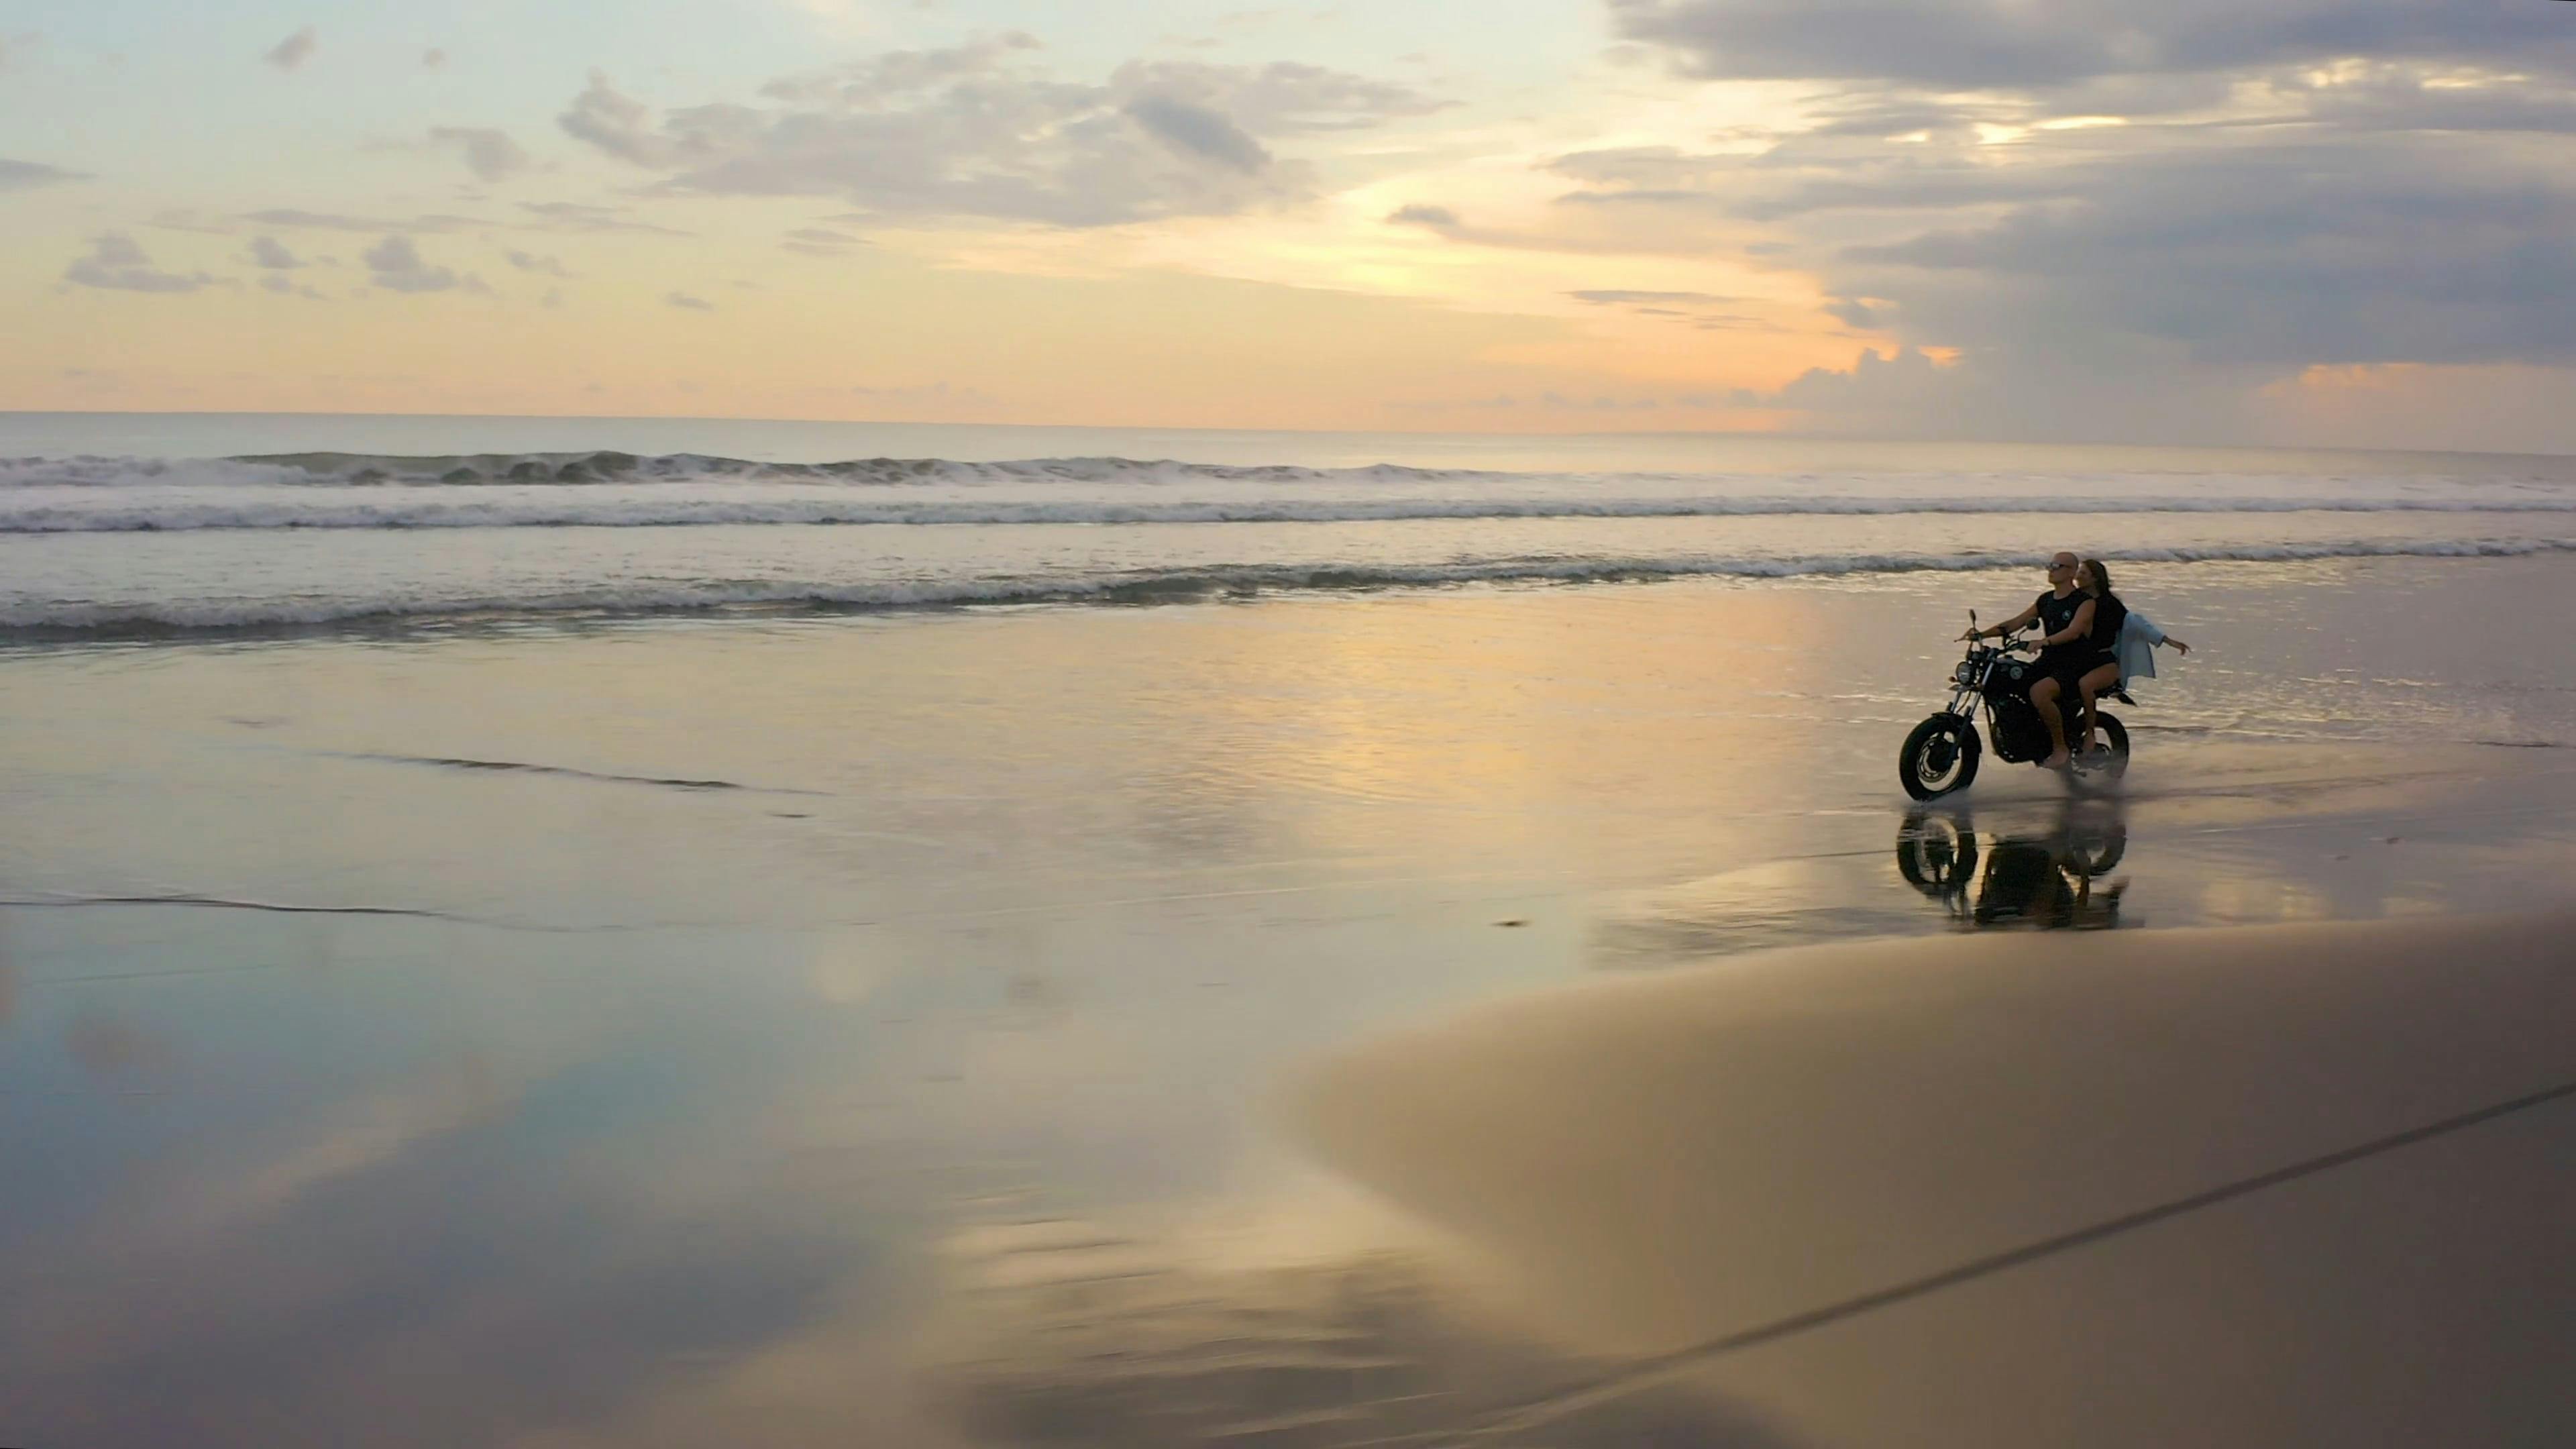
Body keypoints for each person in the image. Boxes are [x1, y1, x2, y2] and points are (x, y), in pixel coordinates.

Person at [1961, 552, 2094, 768]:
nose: (2051, 569)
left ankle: (2060, 748)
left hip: (2074, 666)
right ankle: (2019, 734)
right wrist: (1981, 635)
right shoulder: (2046, 600)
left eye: (2057, 566)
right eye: (2050, 565)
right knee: (2010, 679)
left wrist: (2044, 641)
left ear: (2071, 572)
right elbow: (2016, 623)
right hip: (2047, 662)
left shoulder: (2084, 602)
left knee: (2039, 692)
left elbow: (2074, 631)